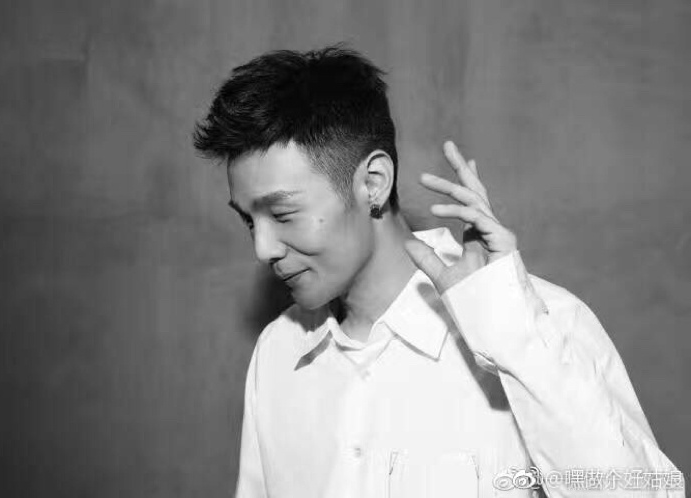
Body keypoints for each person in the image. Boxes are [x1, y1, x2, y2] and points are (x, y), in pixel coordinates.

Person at [193, 45, 683, 498]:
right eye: (248, 220)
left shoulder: (544, 324)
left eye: (282, 214)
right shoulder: (278, 351)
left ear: (373, 183)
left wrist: (513, 338)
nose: (262, 248)